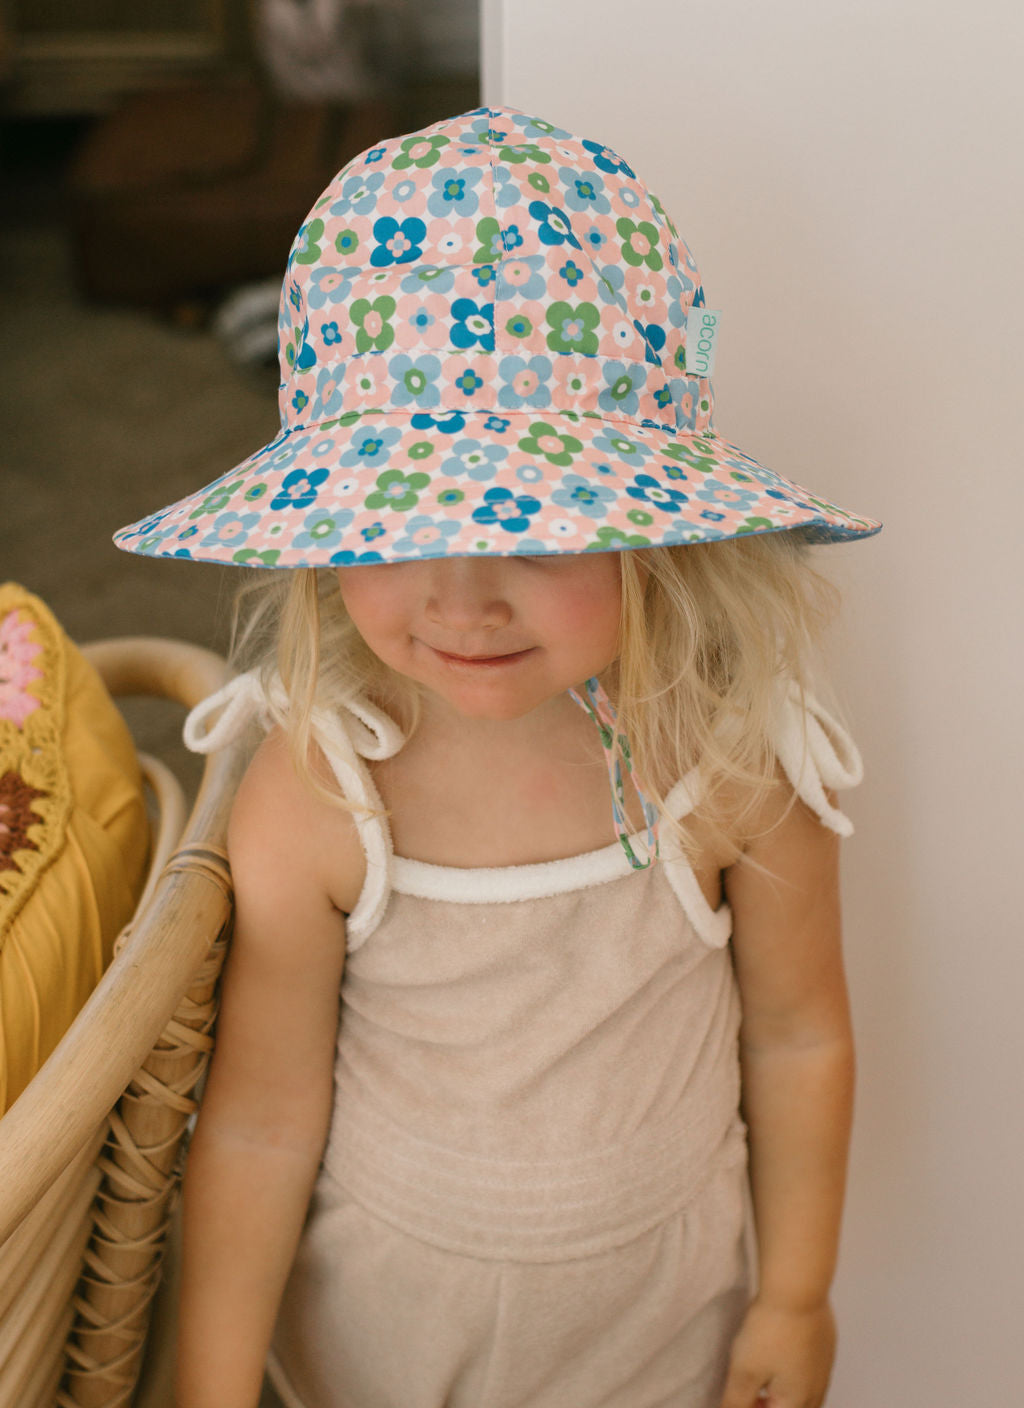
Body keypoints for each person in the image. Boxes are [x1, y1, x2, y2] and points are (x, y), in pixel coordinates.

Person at [115, 106, 881, 1408]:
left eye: (537, 531)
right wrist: (213, 1383)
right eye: (400, 529)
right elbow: (258, 1120)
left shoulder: (728, 767)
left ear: (655, 530)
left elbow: (799, 1037)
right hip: (377, 1344)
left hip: (661, 1342)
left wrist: (797, 1296)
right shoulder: (322, 790)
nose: (464, 601)